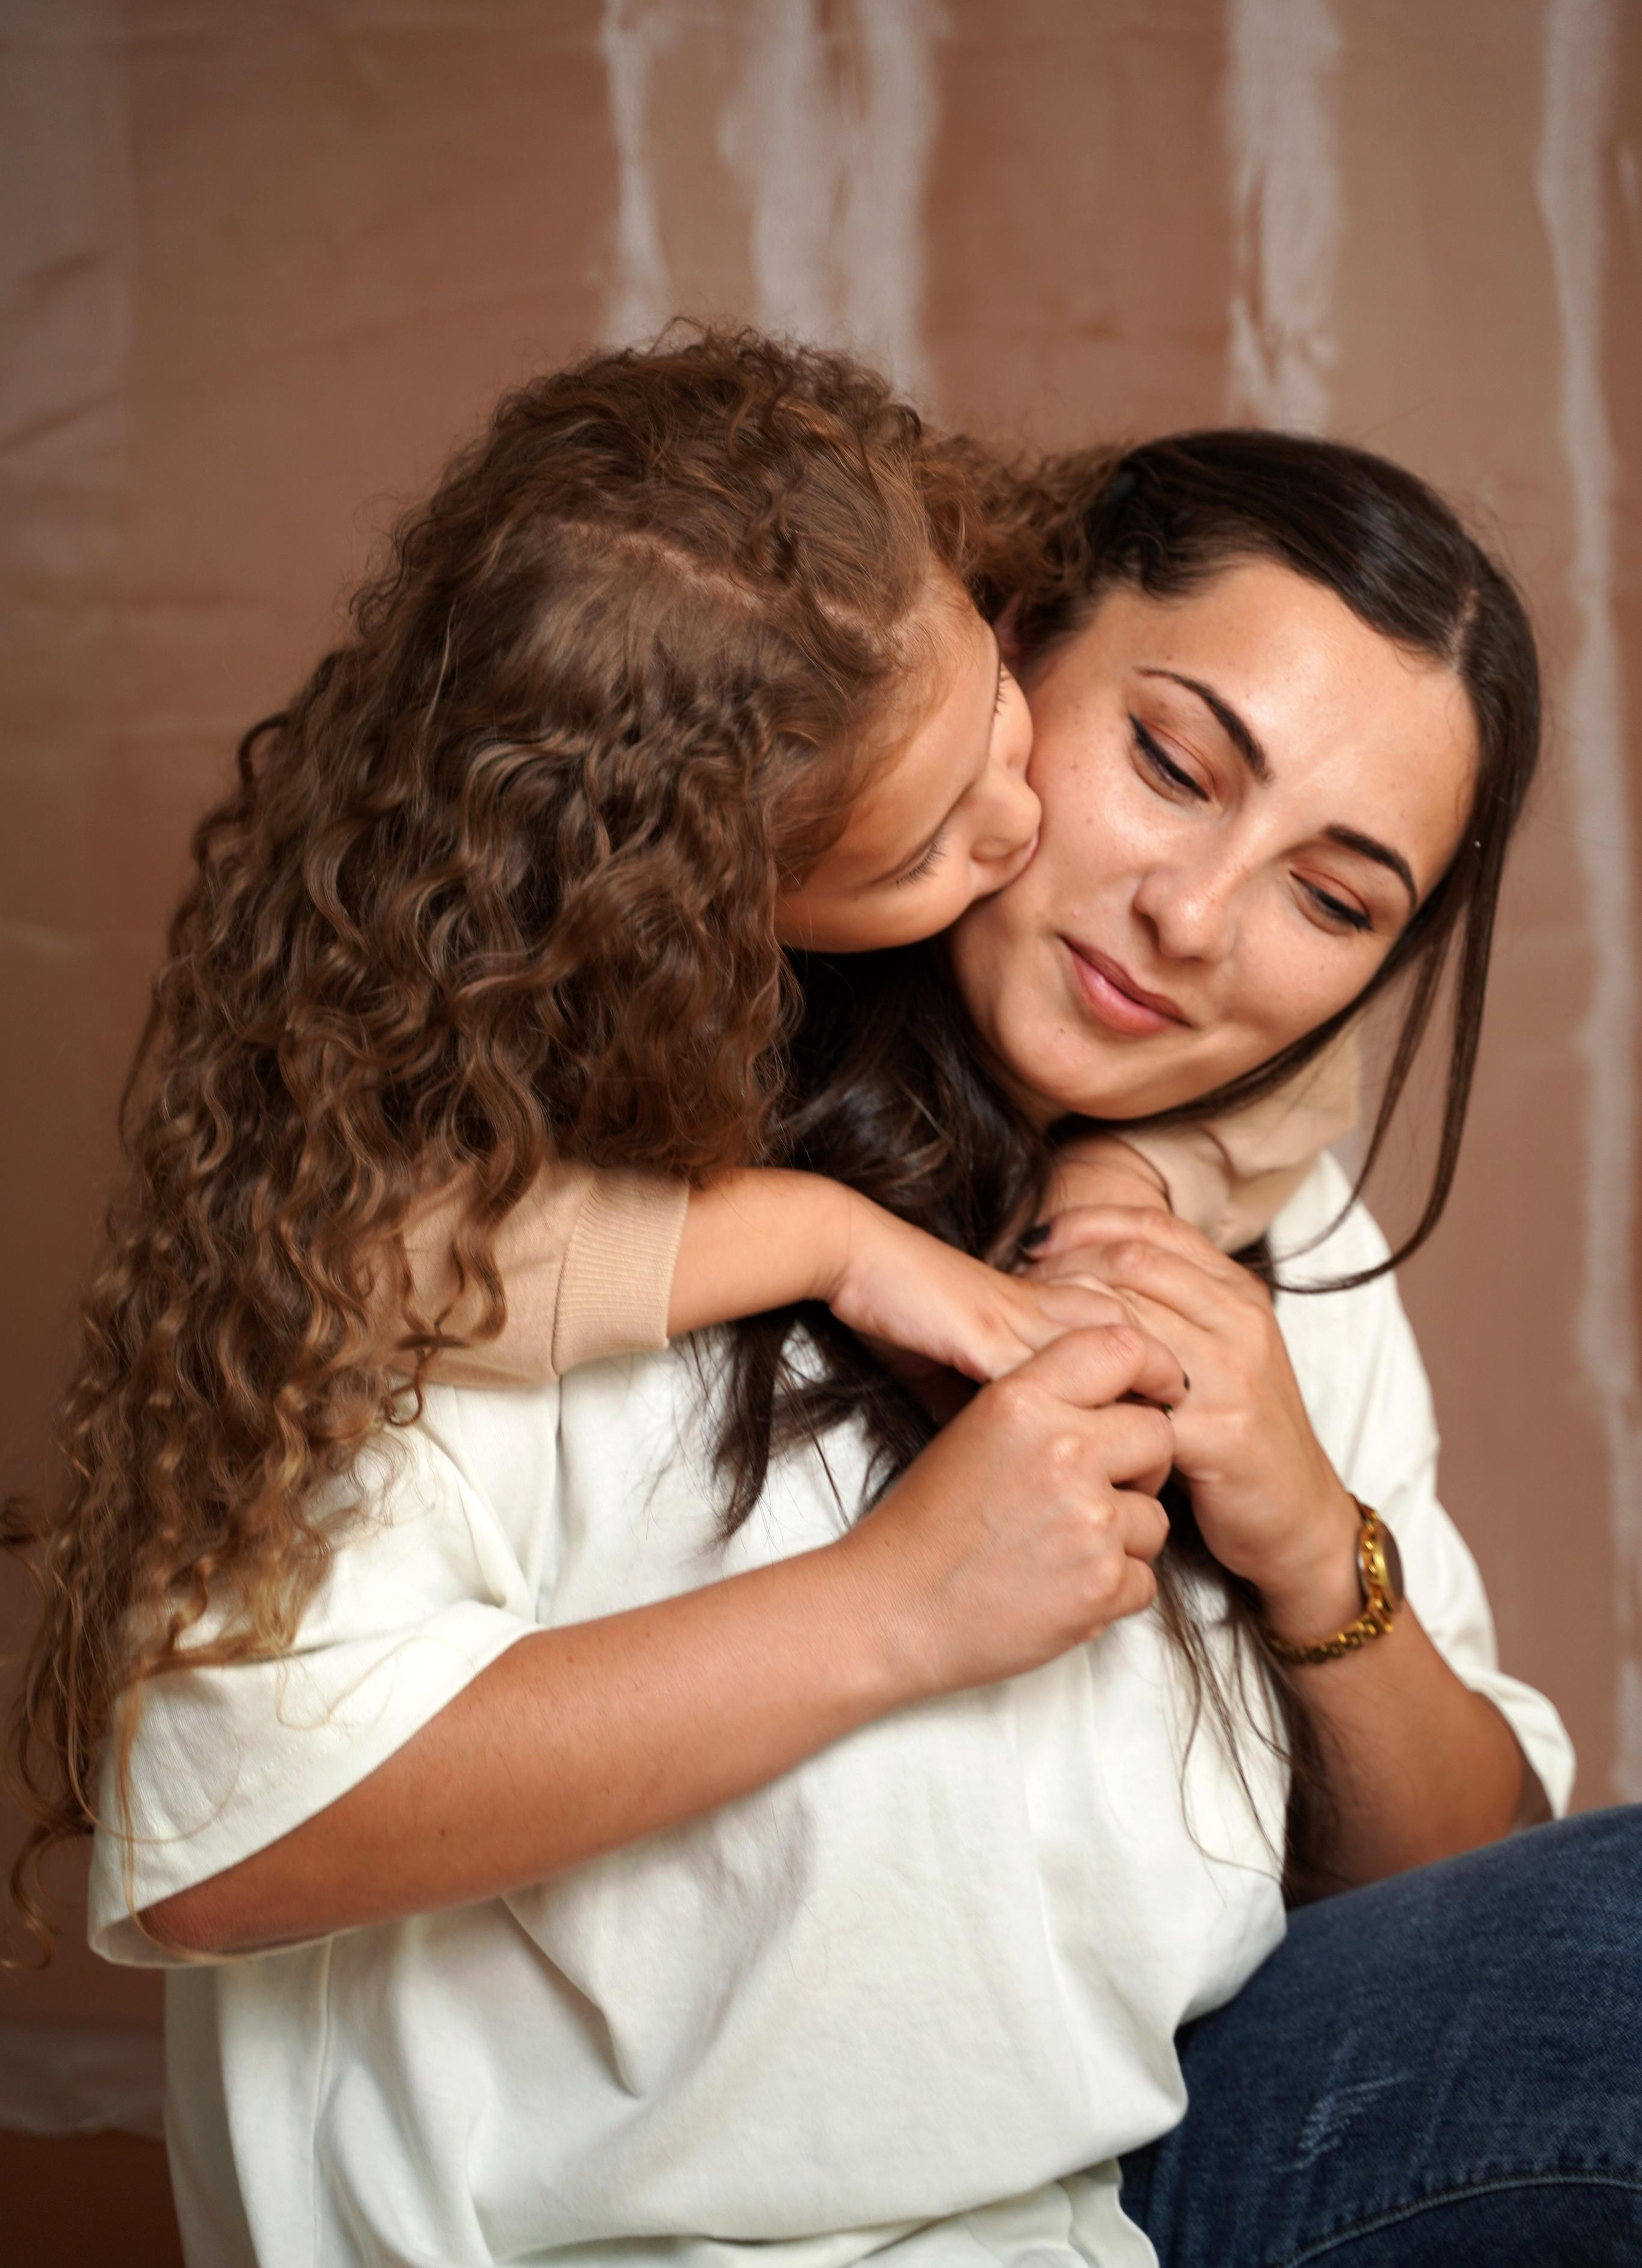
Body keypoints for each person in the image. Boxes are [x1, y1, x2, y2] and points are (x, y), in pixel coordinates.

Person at [22, 421, 1642, 2264]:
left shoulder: (1258, 1223)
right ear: (1006, 655)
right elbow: (218, 1838)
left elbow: (1482, 1924)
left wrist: (1306, 1541)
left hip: (1130, 2207)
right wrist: (897, 1607)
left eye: (1335, 899)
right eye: (1174, 764)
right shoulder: (510, 1167)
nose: (1196, 923)